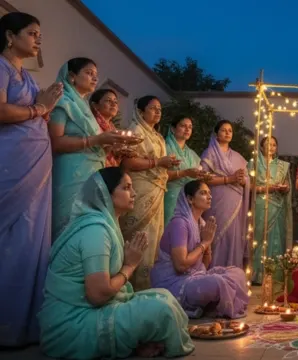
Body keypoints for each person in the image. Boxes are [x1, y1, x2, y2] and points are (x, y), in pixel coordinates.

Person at [38, 167, 194, 359]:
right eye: (127, 187)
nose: (134, 192)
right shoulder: (95, 231)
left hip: (88, 312)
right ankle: (140, 343)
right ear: (106, 194)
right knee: (162, 311)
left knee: (164, 296)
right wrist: (130, 266)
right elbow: (97, 294)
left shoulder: (105, 224)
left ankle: (137, 344)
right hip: (71, 326)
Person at [0, 11, 62, 347]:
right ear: (10, 36)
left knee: (31, 243)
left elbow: (36, 109)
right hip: (11, 168)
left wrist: (46, 104)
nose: (38, 39)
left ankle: (26, 326)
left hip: (35, 172)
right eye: (32, 33)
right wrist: (39, 109)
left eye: (40, 34)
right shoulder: (1, 67)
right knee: (9, 244)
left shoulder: (27, 75)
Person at [49, 57, 127, 238]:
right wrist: (97, 140)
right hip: (71, 172)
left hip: (92, 173)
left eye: (96, 75)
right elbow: (55, 142)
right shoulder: (63, 101)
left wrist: (109, 146)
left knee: (87, 230)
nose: (94, 78)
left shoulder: (84, 108)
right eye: (89, 73)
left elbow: (95, 142)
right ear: (71, 76)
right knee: (68, 226)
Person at [151, 180, 249, 318]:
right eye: (203, 193)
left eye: (209, 193)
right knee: (217, 283)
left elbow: (204, 265)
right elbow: (180, 266)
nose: (209, 196)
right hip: (173, 283)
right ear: (190, 199)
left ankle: (207, 304)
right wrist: (205, 242)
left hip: (193, 277)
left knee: (238, 273)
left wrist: (207, 244)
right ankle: (205, 304)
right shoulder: (180, 223)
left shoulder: (201, 223)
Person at [120, 95, 180, 290]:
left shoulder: (157, 136)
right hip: (140, 190)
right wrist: (158, 163)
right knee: (137, 235)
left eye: (160, 109)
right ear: (141, 111)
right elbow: (128, 162)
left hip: (156, 190)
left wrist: (167, 164)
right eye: (153, 108)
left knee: (154, 239)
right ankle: (131, 287)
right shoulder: (135, 131)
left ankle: (148, 287)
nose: (157, 112)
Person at [201, 120, 250, 268]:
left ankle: (231, 274)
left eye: (230, 130)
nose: (227, 133)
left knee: (232, 236)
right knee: (214, 234)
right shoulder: (209, 153)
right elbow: (203, 178)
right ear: (216, 134)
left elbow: (246, 180)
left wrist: (242, 181)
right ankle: (212, 274)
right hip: (216, 201)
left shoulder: (238, 157)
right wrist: (229, 179)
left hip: (235, 203)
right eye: (223, 130)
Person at [248, 136, 292, 284]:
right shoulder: (253, 164)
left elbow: (287, 186)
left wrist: (285, 188)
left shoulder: (282, 165)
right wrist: (267, 188)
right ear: (261, 147)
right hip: (261, 205)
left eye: (274, 145)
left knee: (277, 238)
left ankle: (276, 276)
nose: (271, 147)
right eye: (267, 144)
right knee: (259, 238)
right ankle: (258, 276)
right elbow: (250, 187)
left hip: (278, 205)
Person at [164, 116, 204, 226]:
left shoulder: (191, 154)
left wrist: (202, 176)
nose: (187, 129)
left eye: (190, 127)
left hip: (189, 199)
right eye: (183, 126)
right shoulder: (164, 148)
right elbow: (157, 175)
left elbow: (196, 174)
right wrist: (184, 173)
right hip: (171, 197)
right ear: (173, 129)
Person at [89, 88, 131, 167]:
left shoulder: (113, 128)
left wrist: (121, 153)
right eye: (108, 101)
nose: (114, 104)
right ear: (95, 105)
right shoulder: (90, 123)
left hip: (110, 169)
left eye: (116, 102)